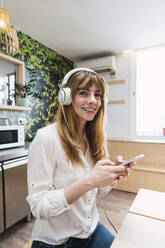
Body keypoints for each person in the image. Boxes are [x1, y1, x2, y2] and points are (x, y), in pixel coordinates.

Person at [27, 68, 133, 248]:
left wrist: (111, 176)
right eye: (84, 93)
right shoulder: (46, 138)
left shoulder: (94, 138)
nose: (93, 100)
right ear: (66, 97)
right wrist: (89, 181)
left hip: (91, 230)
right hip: (57, 241)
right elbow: (39, 207)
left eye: (97, 95)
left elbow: (95, 192)